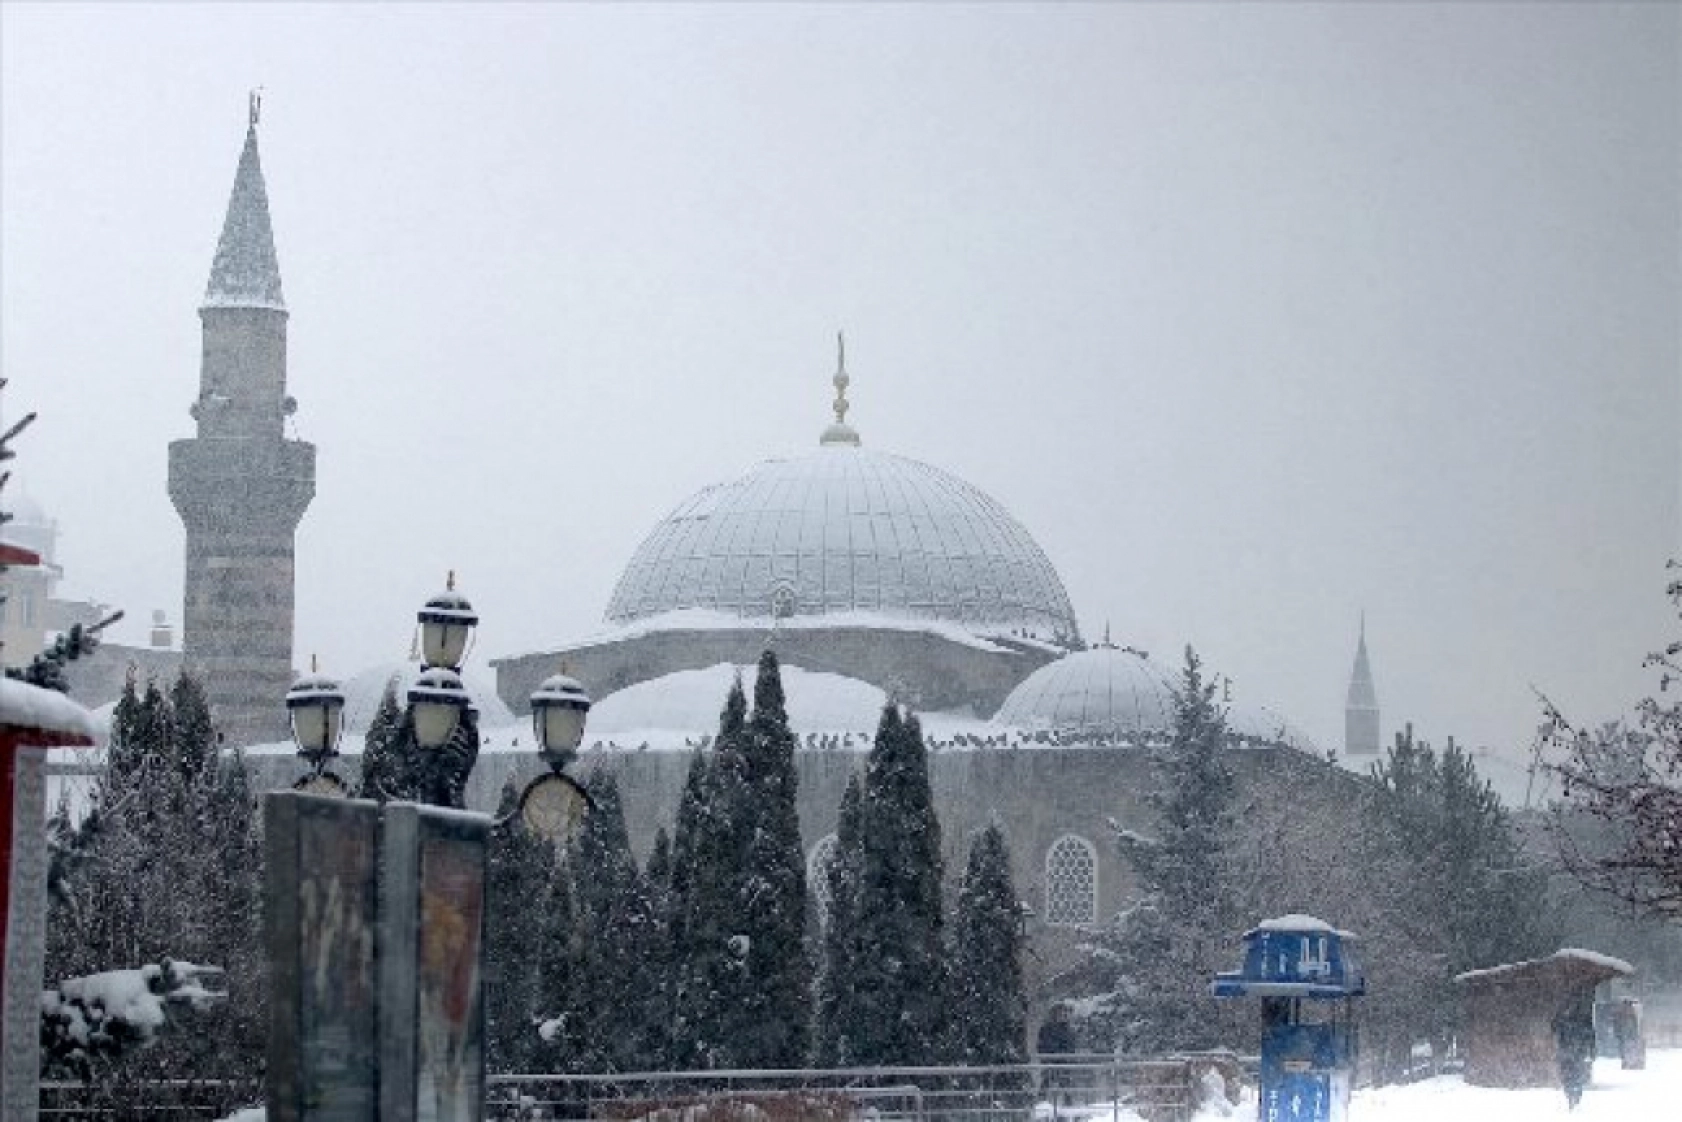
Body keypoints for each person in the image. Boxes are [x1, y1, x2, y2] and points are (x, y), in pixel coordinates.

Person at [1552, 999, 1595, 1110]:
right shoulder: (1583, 1020)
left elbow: (1555, 1030)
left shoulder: (1564, 1020)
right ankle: (1574, 1096)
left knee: (1569, 1076)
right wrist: (1591, 1050)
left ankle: (1572, 1096)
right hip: (1576, 1053)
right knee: (1576, 1075)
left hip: (1568, 1052)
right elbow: (1590, 1036)